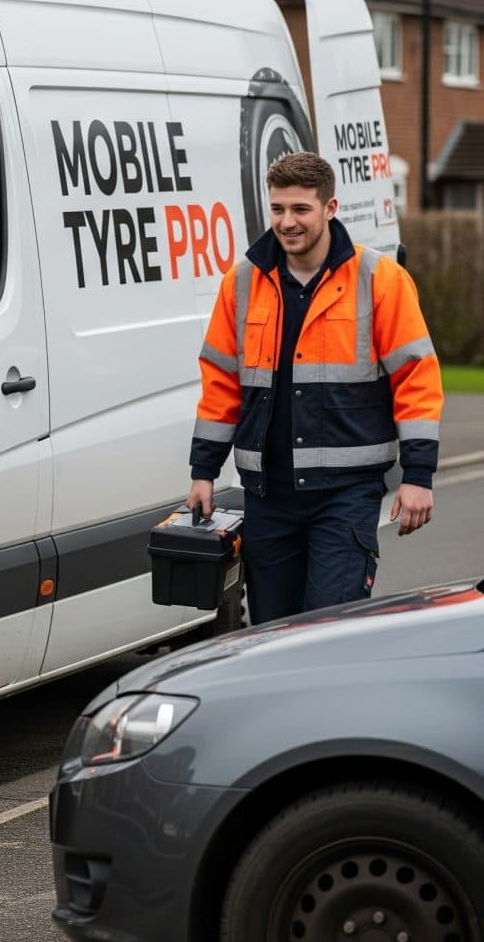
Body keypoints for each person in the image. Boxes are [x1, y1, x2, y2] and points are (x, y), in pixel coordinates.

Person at [187, 151, 442, 624]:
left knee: (329, 631)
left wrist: (418, 475)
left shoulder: (379, 279)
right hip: (267, 495)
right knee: (270, 633)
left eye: (301, 209)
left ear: (330, 208)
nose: (287, 222)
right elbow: (221, 382)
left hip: (344, 495)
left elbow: (417, 377)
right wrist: (203, 470)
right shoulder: (241, 282)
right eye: (278, 209)